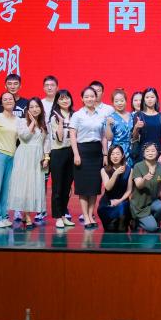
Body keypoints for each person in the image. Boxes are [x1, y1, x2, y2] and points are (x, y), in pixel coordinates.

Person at [70, 86, 106, 229]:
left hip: (96, 152)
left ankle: (91, 215)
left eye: (92, 96)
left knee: (94, 187)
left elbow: (104, 136)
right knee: (83, 187)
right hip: (82, 151)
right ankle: (85, 216)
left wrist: (105, 154)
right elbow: (73, 135)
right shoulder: (77, 115)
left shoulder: (101, 115)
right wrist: (76, 154)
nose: (90, 99)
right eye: (86, 97)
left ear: (96, 97)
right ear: (82, 99)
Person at [9, 96, 49, 227]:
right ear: (27, 109)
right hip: (24, 156)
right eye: (31, 107)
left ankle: (29, 214)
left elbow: (46, 142)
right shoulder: (21, 121)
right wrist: (32, 122)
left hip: (38, 157)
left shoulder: (44, 123)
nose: (34, 109)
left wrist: (46, 157)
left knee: (34, 185)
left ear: (41, 108)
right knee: (25, 185)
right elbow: (24, 137)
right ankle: (26, 216)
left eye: (37, 106)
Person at [47, 89, 76, 228]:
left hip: (72, 152)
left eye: (67, 98)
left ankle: (63, 214)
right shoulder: (54, 117)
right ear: (57, 101)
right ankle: (58, 216)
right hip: (58, 152)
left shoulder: (75, 115)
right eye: (61, 98)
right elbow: (59, 138)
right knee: (57, 187)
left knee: (67, 187)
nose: (65, 101)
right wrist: (61, 123)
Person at [129, 142, 161, 232]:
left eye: (153, 151)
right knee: (152, 228)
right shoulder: (138, 166)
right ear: (143, 153)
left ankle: (154, 222)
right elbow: (139, 185)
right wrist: (144, 179)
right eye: (147, 151)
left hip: (153, 201)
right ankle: (138, 221)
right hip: (140, 205)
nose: (150, 153)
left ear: (157, 152)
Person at [98, 145, 132, 232]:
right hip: (108, 202)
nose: (115, 156)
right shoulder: (104, 170)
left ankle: (123, 221)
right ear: (109, 156)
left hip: (122, 201)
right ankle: (113, 220)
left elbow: (129, 190)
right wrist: (115, 174)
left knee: (122, 228)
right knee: (110, 229)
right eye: (112, 154)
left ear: (122, 155)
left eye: (117, 154)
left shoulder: (129, 170)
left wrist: (119, 201)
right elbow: (108, 188)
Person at [132, 88, 161, 163]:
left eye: (152, 97)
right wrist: (136, 127)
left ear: (156, 99)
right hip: (142, 152)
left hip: (158, 152)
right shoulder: (138, 115)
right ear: (144, 99)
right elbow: (134, 138)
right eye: (147, 97)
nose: (150, 99)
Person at [105, 89, 135, 163]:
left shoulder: (132, 116)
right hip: (117, 151)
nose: (119, 103)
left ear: (126, 101)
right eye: (116, 101)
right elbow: (109, 138)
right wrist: (108, 125)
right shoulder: (111, 118)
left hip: (132, 150)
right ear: (113, 103)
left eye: (122, 100)